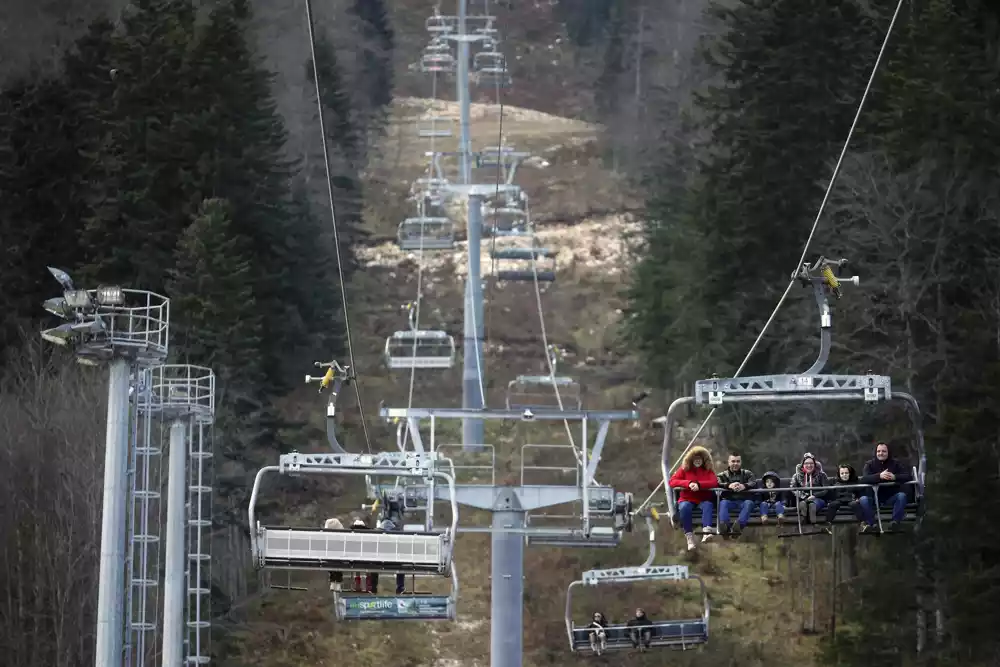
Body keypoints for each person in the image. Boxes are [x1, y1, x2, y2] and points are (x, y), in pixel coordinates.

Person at [668, 445, 719, 551]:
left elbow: (714, 482)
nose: (697, 461)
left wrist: (699, 485)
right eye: (695, 459)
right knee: (684, 507)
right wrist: (688, 483)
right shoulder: (684, 470)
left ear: (704, 459)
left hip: (703, 498)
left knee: (708, 505)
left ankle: (707, 532)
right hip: (687, 498)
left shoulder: (707, 471)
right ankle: (689, 537)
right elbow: (672, 481)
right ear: (691, 459)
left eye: (700, 459)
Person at [858, 442, 912, 532]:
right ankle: (872, 524)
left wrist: (895, 477)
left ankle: (895, 522)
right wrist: (879, 476)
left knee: (901, 496)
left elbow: (908, 476)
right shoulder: (869, 464)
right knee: (863, 499)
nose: (881, 453)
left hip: (890, 498)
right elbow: (864, 479)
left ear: (888, 453)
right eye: (878, 451)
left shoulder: (895, 464)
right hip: (874, 499)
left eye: (884, 451)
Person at [716, 451, 757, 538]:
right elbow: (717, 482)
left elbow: (753, 482)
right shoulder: (722, 475)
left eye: (738, 461)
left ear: (741, 462)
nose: (735, 464)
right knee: (723, 503)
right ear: (729, 462)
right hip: (729, 500)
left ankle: (738, 526)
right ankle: (725, 526)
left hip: (744, 500)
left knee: (749, 503)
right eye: (733, 461)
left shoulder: (747, 473)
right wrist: (728, 485)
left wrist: (744, 486)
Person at [791, 453, 828, 525]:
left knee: (813, 504)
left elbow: (826, 489)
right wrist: (805, 496)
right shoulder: (796, 476)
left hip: (817, 498)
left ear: (815, 464)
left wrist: (814, 495)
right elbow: (793, 489)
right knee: (803, 504)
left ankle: (812, 520)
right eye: (806, 463)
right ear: (802, 465)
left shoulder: (822, 475)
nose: (809, 465)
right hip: (803, 498)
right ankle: (804, 517)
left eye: (811, 463)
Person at [824, 464, 865, 530]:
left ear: (850, 473)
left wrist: (858, 498)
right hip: (839, 499)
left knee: (855, 504)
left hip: (851, 499)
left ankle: (862, 523)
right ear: (839, 474)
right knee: (833, 504)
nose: (844, 475)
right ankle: (828, 524)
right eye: (842, 473)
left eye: (846, 473)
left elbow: (859, 491)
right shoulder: (834, 481)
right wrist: (830, 500)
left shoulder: (855, 481)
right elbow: (830, 492)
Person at [378, 517, 407, 594]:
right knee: (401, 566)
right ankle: (400, 587)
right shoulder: (397, 535)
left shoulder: (378, 534)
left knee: (372, 563)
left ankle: (373, 587)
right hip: (395, 562)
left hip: (380, 561)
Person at [351, 518, 379, 594]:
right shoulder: (366, 536)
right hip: (363, 557)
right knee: (367, 565)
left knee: (360, 565)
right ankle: (367, 584)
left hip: (358, 558)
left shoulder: (352, 536)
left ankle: (360, 584)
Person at [324, 518, 345, 591]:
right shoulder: (341, 536)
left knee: (331, 562)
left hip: (331, 556)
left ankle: (333, 582)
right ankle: (337, 583)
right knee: (338, 563)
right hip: (339, 557)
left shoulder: (328, 537)